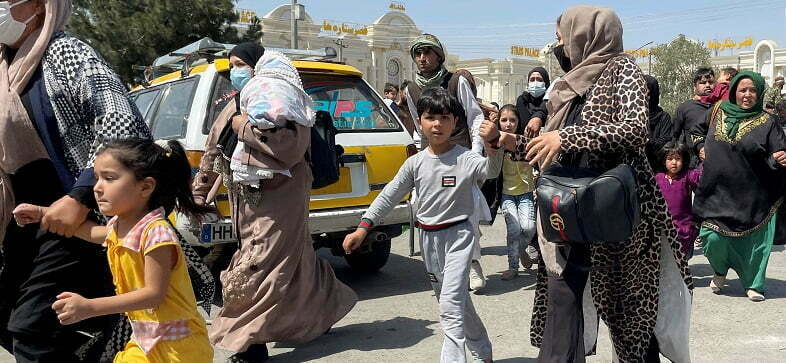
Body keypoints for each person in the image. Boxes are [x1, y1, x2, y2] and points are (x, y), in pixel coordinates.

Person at [479, 6, 692, 362]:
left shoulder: (622, 69)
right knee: (563, 303)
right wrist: (507, 141)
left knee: (627, 314)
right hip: (569, 210)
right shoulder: (572, 83)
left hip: (618, 215)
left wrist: (568, 137)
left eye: (563, 37)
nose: (559, 45)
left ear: (586, 35)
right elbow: (550, 145)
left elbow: (635, 128)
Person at [0, 0, 154, 361]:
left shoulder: (64, 52)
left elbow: (123, 121)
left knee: (32, 328)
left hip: (75, 218)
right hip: (24, 221)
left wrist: (80, 195)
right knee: (8, 315)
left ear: (37, 6)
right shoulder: (6, 68)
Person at [193, 43, 357, 363]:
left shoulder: (281, 101)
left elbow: (288, 148)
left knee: (258, 264)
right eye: (232, 65)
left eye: (241, 63)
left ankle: (250, 342)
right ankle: (325, 309)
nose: (235, 70)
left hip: (282, 196)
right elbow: (214, 147)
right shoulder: (237, 103)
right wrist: (200, 190)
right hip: (247, 198)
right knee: (296, 261)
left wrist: (245, 128)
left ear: (256, 65)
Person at [13, 139, 215, 362]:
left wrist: (89, 307)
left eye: (109, 178)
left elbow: (153, 295)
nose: (97, 187)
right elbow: (89, 232)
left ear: (146, 187)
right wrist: (43, 213)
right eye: (97, 178)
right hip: (147, 342)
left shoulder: (156, 232)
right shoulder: (120, 227)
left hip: (179, 349)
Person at [343, 88, 501, 363]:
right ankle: (483, 350)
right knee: (455, 303)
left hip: (460, 237)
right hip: (429, 240)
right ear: (420, 123)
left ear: (456, 122)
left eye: (444, 117)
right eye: (430, 117)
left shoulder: (465, 158)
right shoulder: (415, 163)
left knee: (450, 306)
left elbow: (491, 170)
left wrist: (493, 145)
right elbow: (389, 195)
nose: (437, 124)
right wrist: (363, 227)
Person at [397, 33, 492, 292]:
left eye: (427, 52)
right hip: (431, 158)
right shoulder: (411, 89)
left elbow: (473, 116)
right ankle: (441, 267)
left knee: (467, 210)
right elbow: (418, 126)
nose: (422, 58)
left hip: (460, 155)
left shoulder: (456, 81)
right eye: (417, 53)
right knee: (427, 209)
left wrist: (475, 152)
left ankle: (472, 264)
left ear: (439, 55)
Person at [690, 71, 786, 302]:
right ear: (734, 91)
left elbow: (779, 152)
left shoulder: (768, 122)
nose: (747, 95)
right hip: (716, 191)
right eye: (743, 90)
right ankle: (720, 270)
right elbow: (695, 132)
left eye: (753, 90)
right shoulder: (717, 110)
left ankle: (754, 284)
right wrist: (700, 146)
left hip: (753, 196)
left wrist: (781, 158)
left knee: (755, 244)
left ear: (760, 93)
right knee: (711, 238)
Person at [493, 105, 538, 280]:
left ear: (519, 122)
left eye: (512, 120)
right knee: (513, 230)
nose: (508, 124)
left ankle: (520, 251)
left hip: (526, 193)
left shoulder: (525, 142)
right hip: (507, 195)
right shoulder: (496, 143)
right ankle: (513, 267)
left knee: (528, 228)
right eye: (504, 120)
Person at [655, 141, 702, 258]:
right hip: (663, 229)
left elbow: (703, 178)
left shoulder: (688, 176)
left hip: (684, 229)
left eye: (678, 159)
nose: (674, 163)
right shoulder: (657, 178)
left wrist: (705, 160)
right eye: (670, 159)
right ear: (663, 160)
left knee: (682, 262)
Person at [673, 67, 716, 166]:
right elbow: (675, 136)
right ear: (694, 86)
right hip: (692, 163)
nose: (708, 85)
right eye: (703, 82)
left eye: (710, 82)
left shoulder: (720, 107)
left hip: (717, 161)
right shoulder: (685, 108)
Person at [644, 75, 674, 171]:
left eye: (648, 93)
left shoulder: (663, 117)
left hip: (657, 168)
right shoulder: (632, 115)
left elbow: (665, 140)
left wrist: (647, 143)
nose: (645, 96)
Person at [516, 67, 551, 138]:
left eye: (539, 80)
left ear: (546, 83)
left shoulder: (552, 101)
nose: (535, 83)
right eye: (532, 80)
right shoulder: (522, 100)